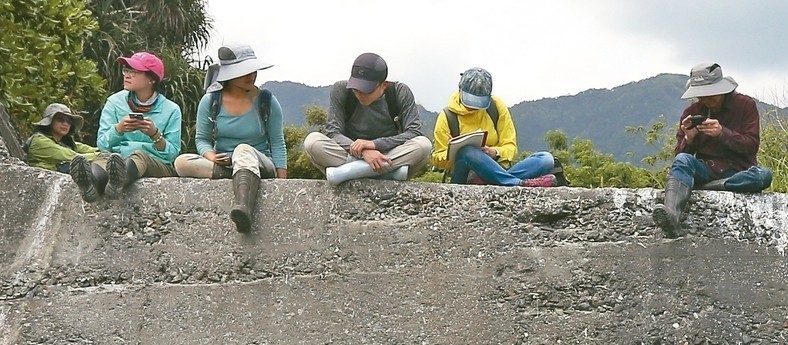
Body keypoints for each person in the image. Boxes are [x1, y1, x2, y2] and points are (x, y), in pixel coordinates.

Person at [174, 43, 287, 233]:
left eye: (253, 71)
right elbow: (202, 139)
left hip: (260, 162)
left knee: (242, 149)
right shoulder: (211, 101)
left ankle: (243, 207)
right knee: (181, 162)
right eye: (244, 72)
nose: (251, 76)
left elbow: (277, 142)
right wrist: (211, 156)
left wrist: (282, 182)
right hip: (226, 163)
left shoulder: (266, 101)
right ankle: (239, 176)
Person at [653, 62, 773, 237]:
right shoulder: (692, 111)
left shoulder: (745, 106)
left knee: (763, 175)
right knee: (682, 161)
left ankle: (715, 187)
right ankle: (671, 214)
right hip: (705, 170)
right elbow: (680, 158)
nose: (705, 100)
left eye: (709, 95)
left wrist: (722, 133)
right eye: (700, 95)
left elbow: (751, 145)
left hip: (737, 172)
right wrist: (689, 138)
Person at [302, 52, 432, 185]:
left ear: (383, 85)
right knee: (313, 142)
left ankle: (349, 172)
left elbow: (413, 132)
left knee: (423, 145)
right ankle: (388, 174)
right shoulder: (341, 90)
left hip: (388, 154)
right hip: (351, 153)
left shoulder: (399, 92)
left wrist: (374, 144)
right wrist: (364, 152)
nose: (360, 94)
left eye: (367, 90)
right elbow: (333, 132)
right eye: (356, 89)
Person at [69, 51, 182, 202]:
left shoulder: (171, 109)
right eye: (126, 70)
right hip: (118, 157)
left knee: (140, 156)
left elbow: (172, 155)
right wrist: (119, 129)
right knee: (105, 158)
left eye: (134, 72)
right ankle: (90, 184)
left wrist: (154, 134)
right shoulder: (114, 102)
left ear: (151, 79)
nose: (127, 75)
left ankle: (119, 181)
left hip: (155, 162)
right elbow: (102, 144)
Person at [432, 67, 560, 187]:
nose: (473, 106)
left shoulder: (496, 108)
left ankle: (491, 180)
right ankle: (517, 183)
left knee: (546, 159)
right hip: (464, 176)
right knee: (468, 151)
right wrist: (451, 152)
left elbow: (510, 146)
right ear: (460, 90)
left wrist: (494, 152)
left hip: (497, 168)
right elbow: (437, 160)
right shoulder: (448, 117)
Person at [25, 103, 98, 173]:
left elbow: (86, 149)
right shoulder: (39, 141)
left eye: (69, 121)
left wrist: (105, 152)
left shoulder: (64, 142)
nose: (65, 124)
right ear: (50, 121)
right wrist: (101, 156)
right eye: (60, 119)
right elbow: (72, 156)